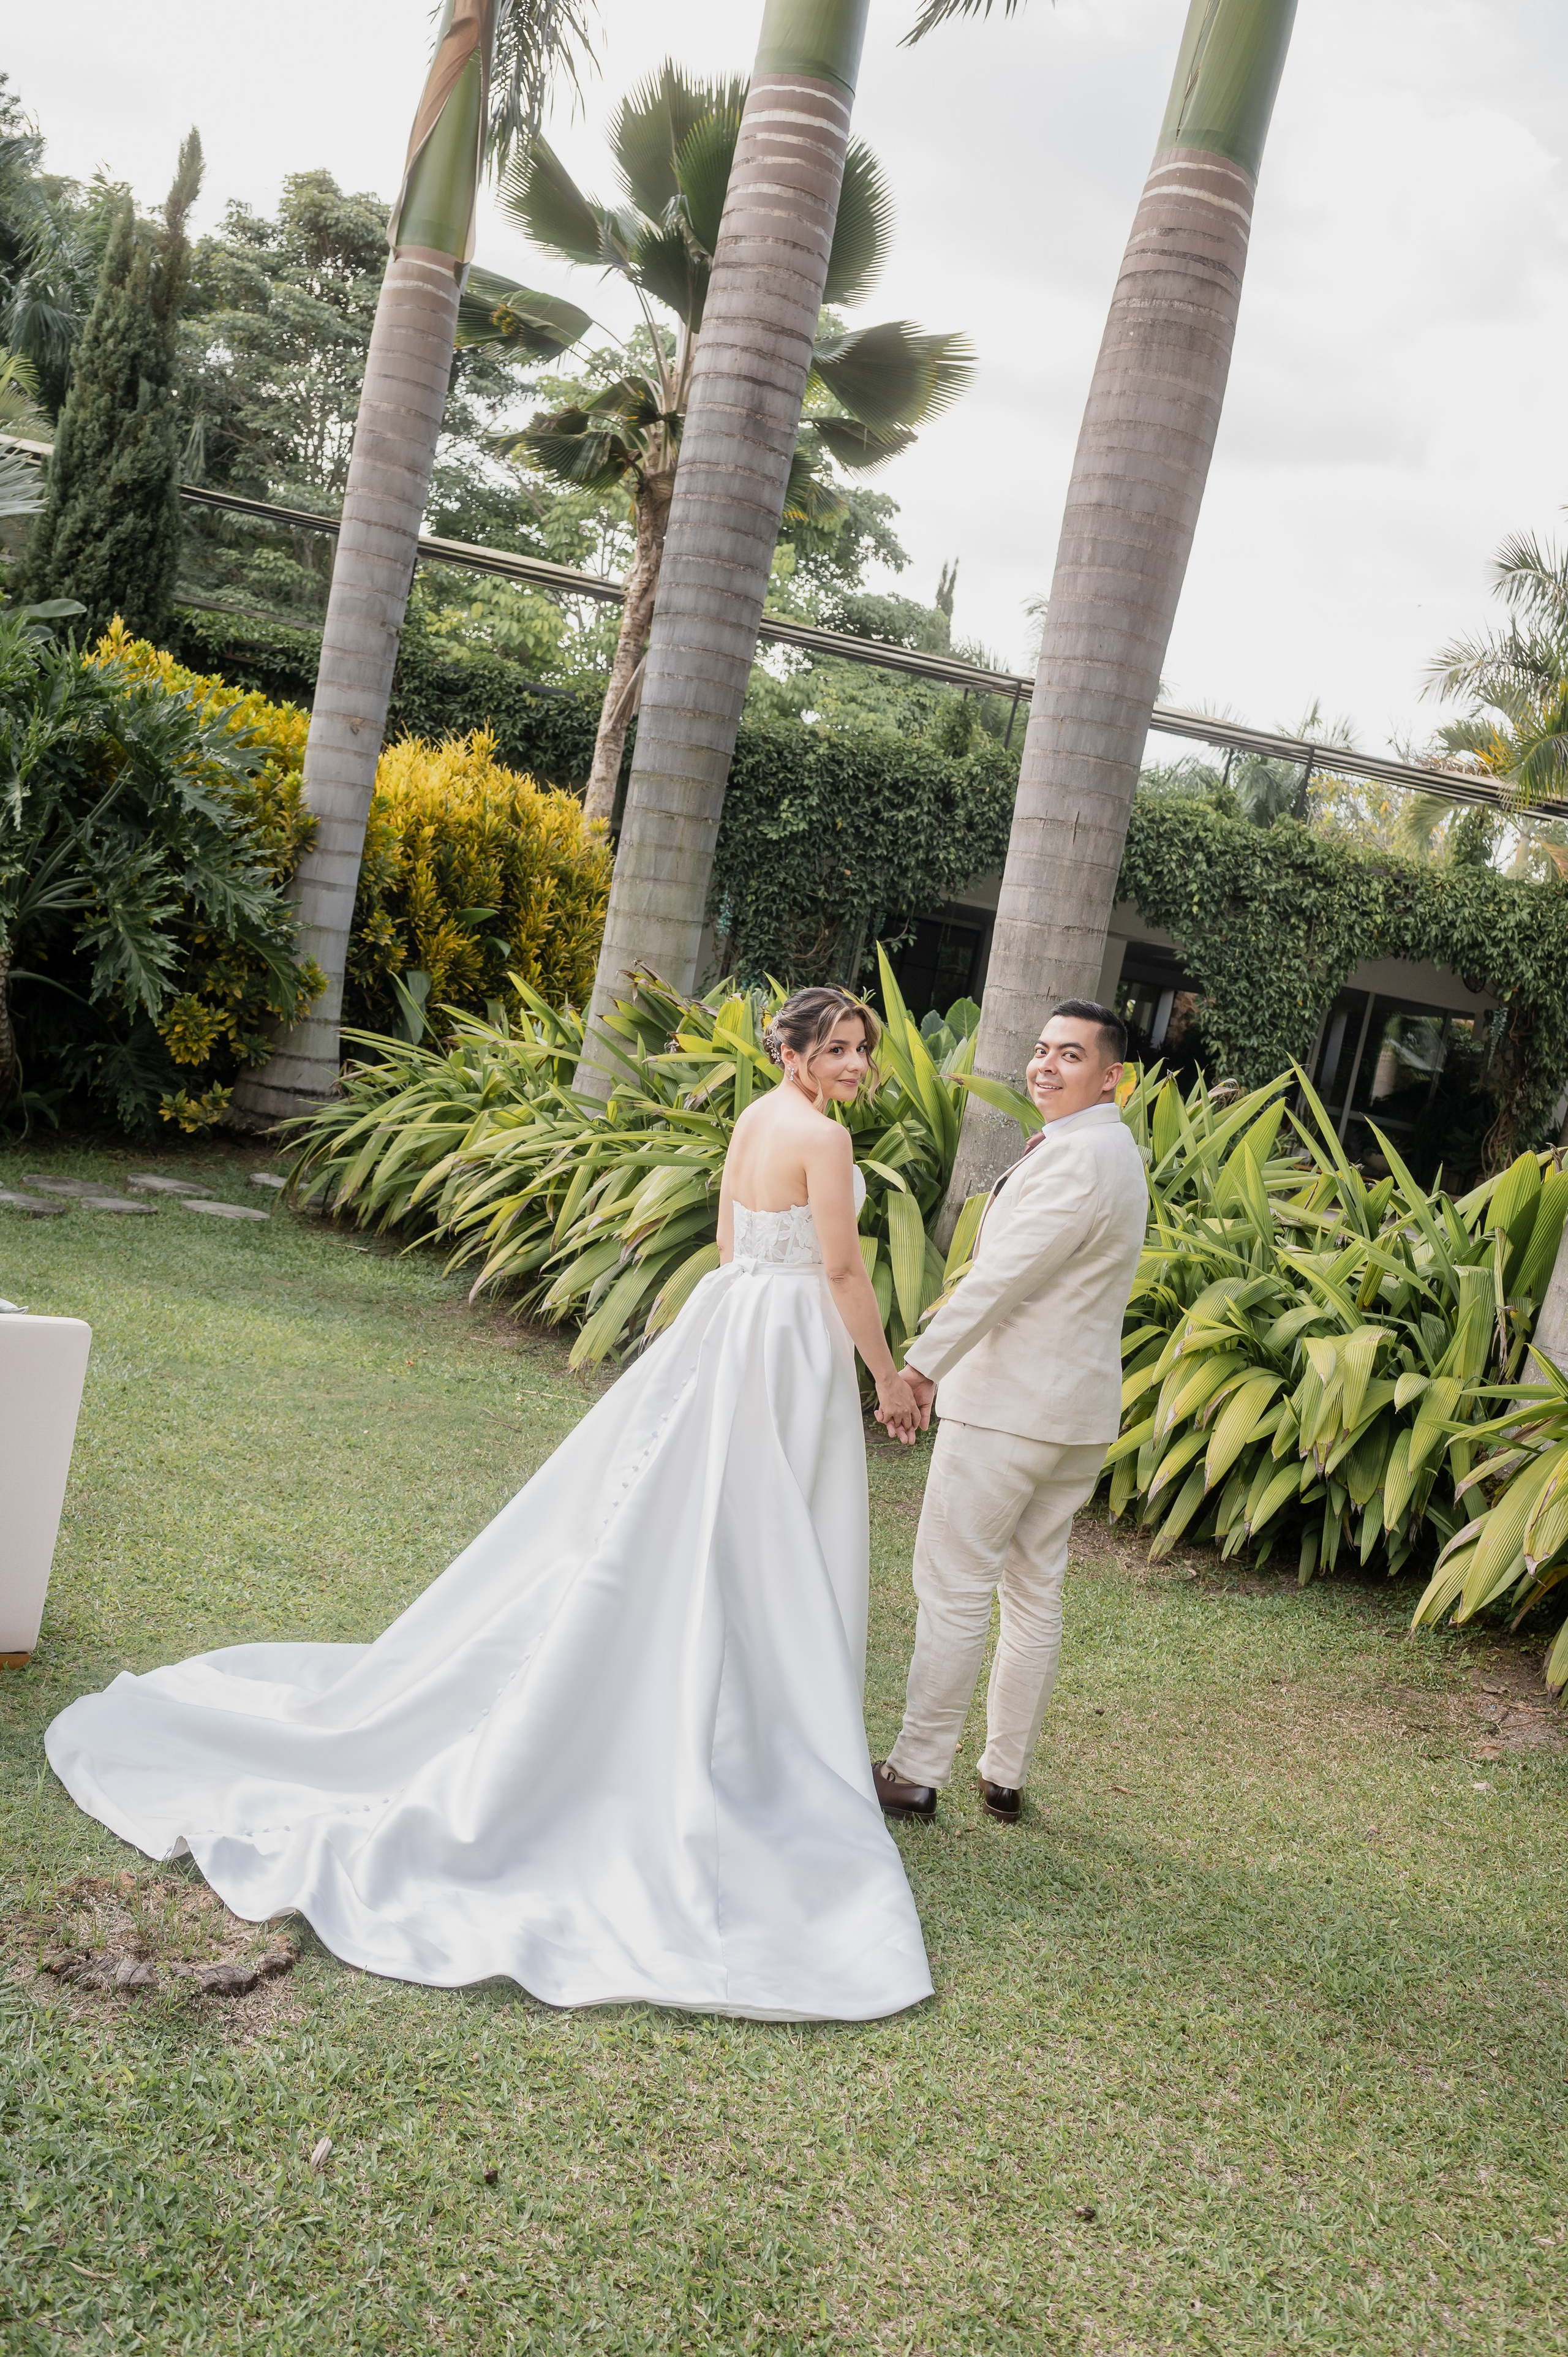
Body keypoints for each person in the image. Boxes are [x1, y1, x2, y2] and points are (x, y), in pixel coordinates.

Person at [46, 988, 935, 2023]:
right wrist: (883, 1375)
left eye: (861, 1050)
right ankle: (745, 1734)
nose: (855, 1066)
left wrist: (745, 1333)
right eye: (836, 1049)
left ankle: (729, 1707)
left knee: (705, 1529)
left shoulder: (750, 1119)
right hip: (783, 1340)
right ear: (791, 1051)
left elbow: (736, 1247)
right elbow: (836, 1265)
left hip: (733, 1326)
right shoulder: (820, 1140)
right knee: (757, 1538)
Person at [871, 1000, 1149, 1827]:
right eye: (1040, 1050)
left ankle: (915, 1771)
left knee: (956, 1586)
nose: (1044, 1066)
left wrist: (920, 1367)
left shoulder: (1080, 1160)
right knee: (1033, 1590)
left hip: (1011, 1412)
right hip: (1074, 1416)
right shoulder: (1110, 1154)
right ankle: (1004, 1773)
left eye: (1069, 1055)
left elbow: (1001, 1281)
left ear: (1111, 1077)